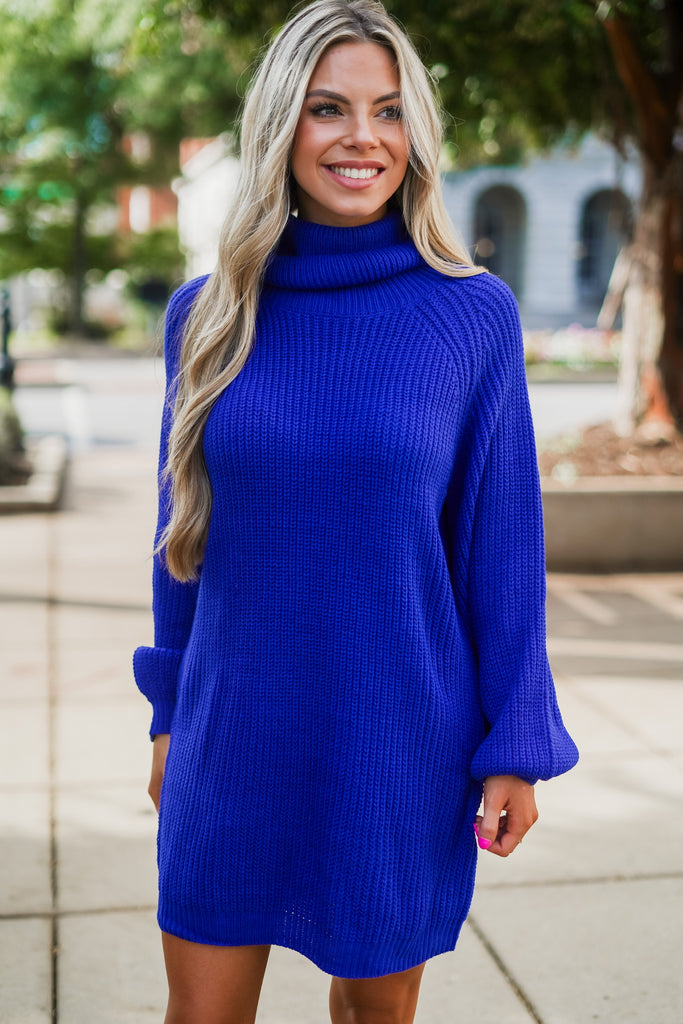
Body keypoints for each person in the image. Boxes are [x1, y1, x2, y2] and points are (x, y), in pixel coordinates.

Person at [133, 1, 579, 1021]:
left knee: (372, 1015)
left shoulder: (468, 314)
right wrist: (167, 717)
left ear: (415, 132)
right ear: (279, 127)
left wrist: (513, 741)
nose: (360, 137)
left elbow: (499, 549)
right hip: (232, 728)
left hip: (395, 734)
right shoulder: (205, 317)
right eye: (326, 108)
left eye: (386, 111)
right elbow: (179, 542)